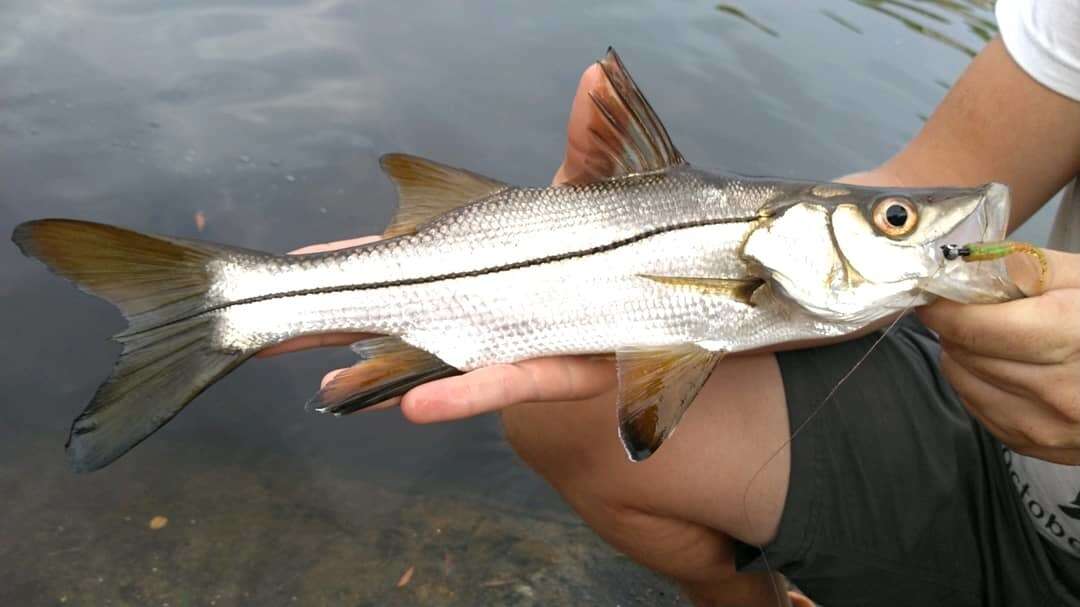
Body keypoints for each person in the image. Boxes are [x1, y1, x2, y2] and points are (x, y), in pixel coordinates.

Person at [266, 1, 1080, 604]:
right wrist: (556, 244)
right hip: (985, 446)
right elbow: (932, 173)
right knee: (570, 410)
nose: (915, 227)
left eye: (899, 226)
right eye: (898, 228)